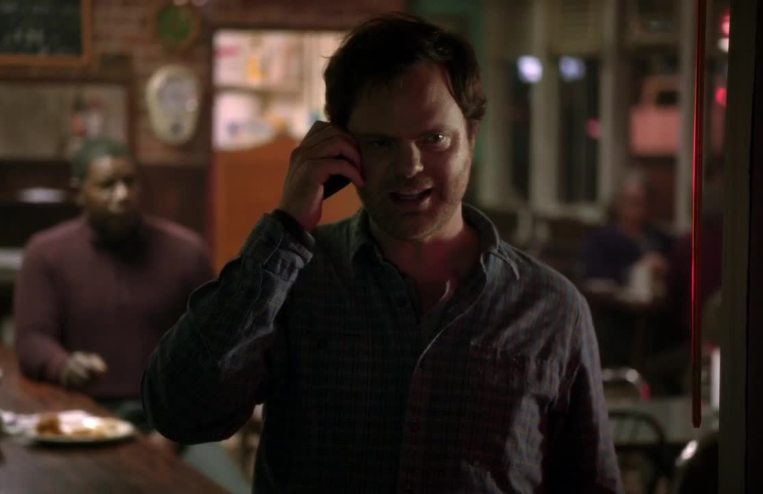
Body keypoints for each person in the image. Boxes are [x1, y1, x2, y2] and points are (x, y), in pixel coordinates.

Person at [143, 14, 622, 493]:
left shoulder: (550, 307)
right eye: (380, 143)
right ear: (341, 148)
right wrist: (285, 228)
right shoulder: (295, 281)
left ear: (471, 137)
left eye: (434, 139)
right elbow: (179, 411)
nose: (410, 166)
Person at [13, 138, 250, 493]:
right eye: (107, 185)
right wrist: (64, 365)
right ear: (79, 192)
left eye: (130, 182)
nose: (122, 194)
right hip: (84, 413)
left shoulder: (185, 252)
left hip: (172, 415)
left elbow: (215, 349)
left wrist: (172, 433)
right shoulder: (46, 254)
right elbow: (32, 338)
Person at [581, 171, 673, 298]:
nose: (635, 208)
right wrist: (638, 271)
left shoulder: (661, 240)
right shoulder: (600, 241)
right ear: (619, 204)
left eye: (641, 202)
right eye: (630, 201)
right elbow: (594, 276)